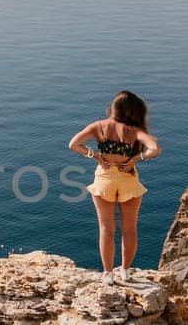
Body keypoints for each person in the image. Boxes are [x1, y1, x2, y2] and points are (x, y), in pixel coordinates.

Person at [68, 91, 162, 284]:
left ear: (114, 108)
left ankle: (108, 273)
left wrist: (94, 155)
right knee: (130, 230)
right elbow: (155, 149)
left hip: (104, 179)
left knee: (106, 229)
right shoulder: (134, 131)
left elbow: (73, 144)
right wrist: (137, 157)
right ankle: (125, 271)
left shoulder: (98, 126)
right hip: (128, 179)